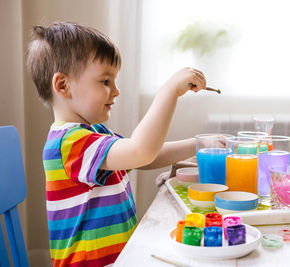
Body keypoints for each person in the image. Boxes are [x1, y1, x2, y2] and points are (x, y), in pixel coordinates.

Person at [27, 21, 206, 267]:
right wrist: (169, 90)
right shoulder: (69, 143)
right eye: (105, 81)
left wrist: (199, 144)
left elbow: (145, 157)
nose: (116, 91)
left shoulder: (93, 134)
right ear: (63, 86)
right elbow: (140, 151)